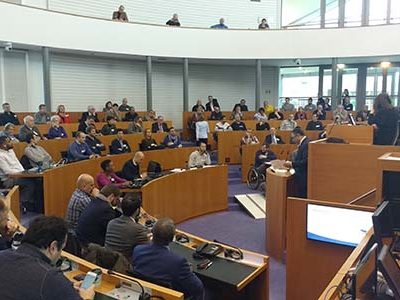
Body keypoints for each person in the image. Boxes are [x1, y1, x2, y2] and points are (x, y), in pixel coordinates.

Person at [0, 216, 95, 300]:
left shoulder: (2, 256)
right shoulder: (50, 276)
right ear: (53, 247)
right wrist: (87, 298)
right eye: (61, 248)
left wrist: (64, 289)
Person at [133, 218, 204, 300]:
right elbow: (198, 287)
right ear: (171, 239)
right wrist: (189, 271)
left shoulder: (138, 250)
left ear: (152, 232)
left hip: (145, 293)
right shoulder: (178, 262)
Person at [0, 136, 42, 212]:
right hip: (9, 179)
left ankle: (35, 204)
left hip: (20, 175)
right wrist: (21, 173)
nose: (11, 143)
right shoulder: (0, 155)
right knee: (30, 183)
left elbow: (18, 165)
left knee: (38, 180)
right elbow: (7, 171)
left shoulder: (11, 151)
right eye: (9, 142)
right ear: (4, 145)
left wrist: (24, 172)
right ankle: (23, 203)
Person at [105, 193, 149, 259]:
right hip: (125, 265)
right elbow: (149, 247)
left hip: (109, 262)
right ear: (137, 210)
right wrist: (142, 225)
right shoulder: (137, 229)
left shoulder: (111, 223)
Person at [284, 127, 310, 198]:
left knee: (301, 196)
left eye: (293, 138)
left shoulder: (306, 144)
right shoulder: (305, 142)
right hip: (301, 175)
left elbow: (306, 161)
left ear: (298, 135)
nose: (292, 140)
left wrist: (292, 164)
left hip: (303, 177)